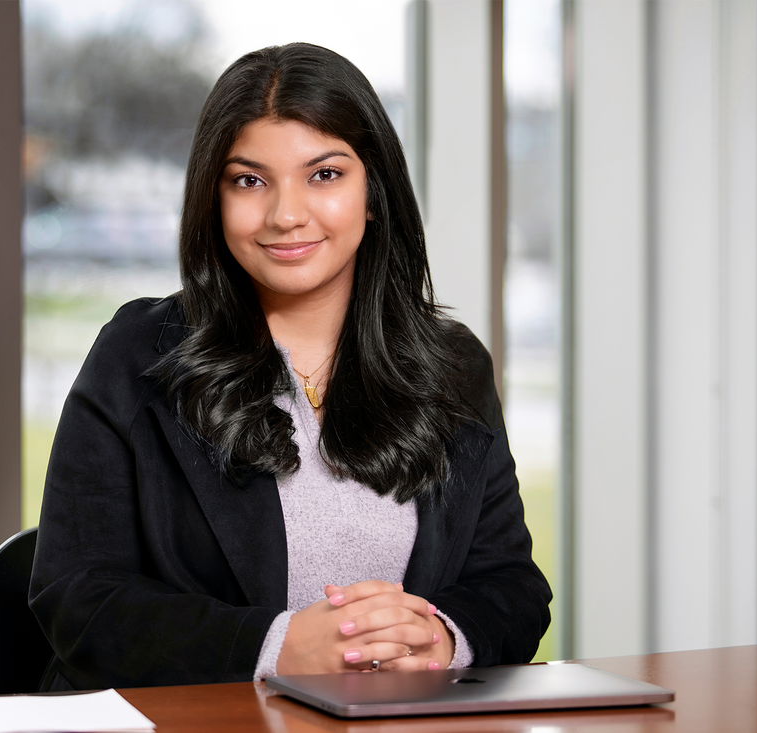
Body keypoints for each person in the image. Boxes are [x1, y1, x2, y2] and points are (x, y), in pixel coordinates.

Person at [29, 42, 551, 691]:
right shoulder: (141, 353)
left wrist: (443, 634)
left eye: (324, 174)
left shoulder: (452, 364)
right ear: (213, 200)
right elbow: (78, 596)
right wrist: (275, 647)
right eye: (250, 180)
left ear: (373, 192)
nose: (286, 214)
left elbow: (511, 583)